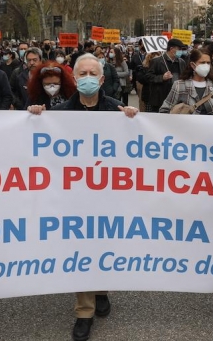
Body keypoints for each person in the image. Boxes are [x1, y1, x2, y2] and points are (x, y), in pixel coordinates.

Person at [26, 53, 138, 341]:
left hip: (109, 195)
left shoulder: (117, 111)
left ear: (102, 79)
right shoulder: (60, 113)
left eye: (93, 73)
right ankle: (84, 311)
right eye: (82, 73)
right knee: (83, 249)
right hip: (75, 198)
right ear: (74, 79)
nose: (88, 77)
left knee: (104, 243)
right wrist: (37, 119)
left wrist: (134, 123)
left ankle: (101, 289)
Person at [159, 48, 213, 117]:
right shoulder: (179, 85)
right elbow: (164, 110)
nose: (206, 65)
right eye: (202, 62)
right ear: (193, 65)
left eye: (208, 63)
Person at [143, 39, 186, 111]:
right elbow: (148, 77)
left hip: (176, 98)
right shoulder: (156, 61)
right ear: (171, 49)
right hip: (160, 97)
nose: (181, 51)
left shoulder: (181, 62)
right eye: (179, 49)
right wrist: (161, 77)